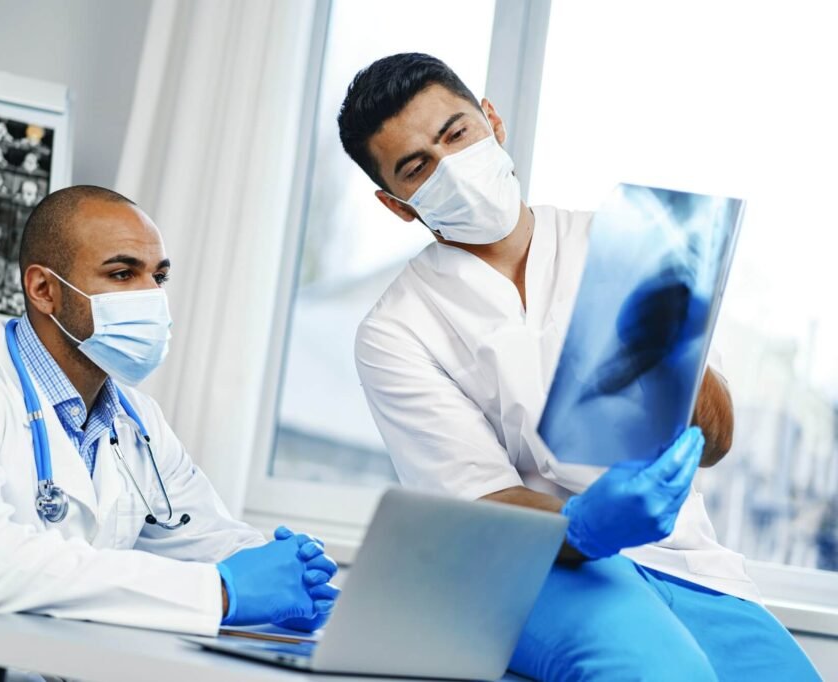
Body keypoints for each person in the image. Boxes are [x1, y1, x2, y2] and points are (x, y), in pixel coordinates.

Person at [338, 53, 817, 680]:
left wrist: (666, 347)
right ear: (398, 204)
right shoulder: (397, 329)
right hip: (538, 568)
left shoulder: (627, 243)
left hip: (687, 563)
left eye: (456, 133)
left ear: (492, 122)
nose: (450, 166)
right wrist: (586, 527)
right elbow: (482, 501)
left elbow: (718, 441)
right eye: (418, 166)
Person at [0, 185, 339, 681]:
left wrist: (287, 571)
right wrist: (222, 592)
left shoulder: (137, 421)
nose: (151, 297)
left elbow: (205, 539)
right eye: (122, 273)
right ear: (43, 289)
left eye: (159, 276)